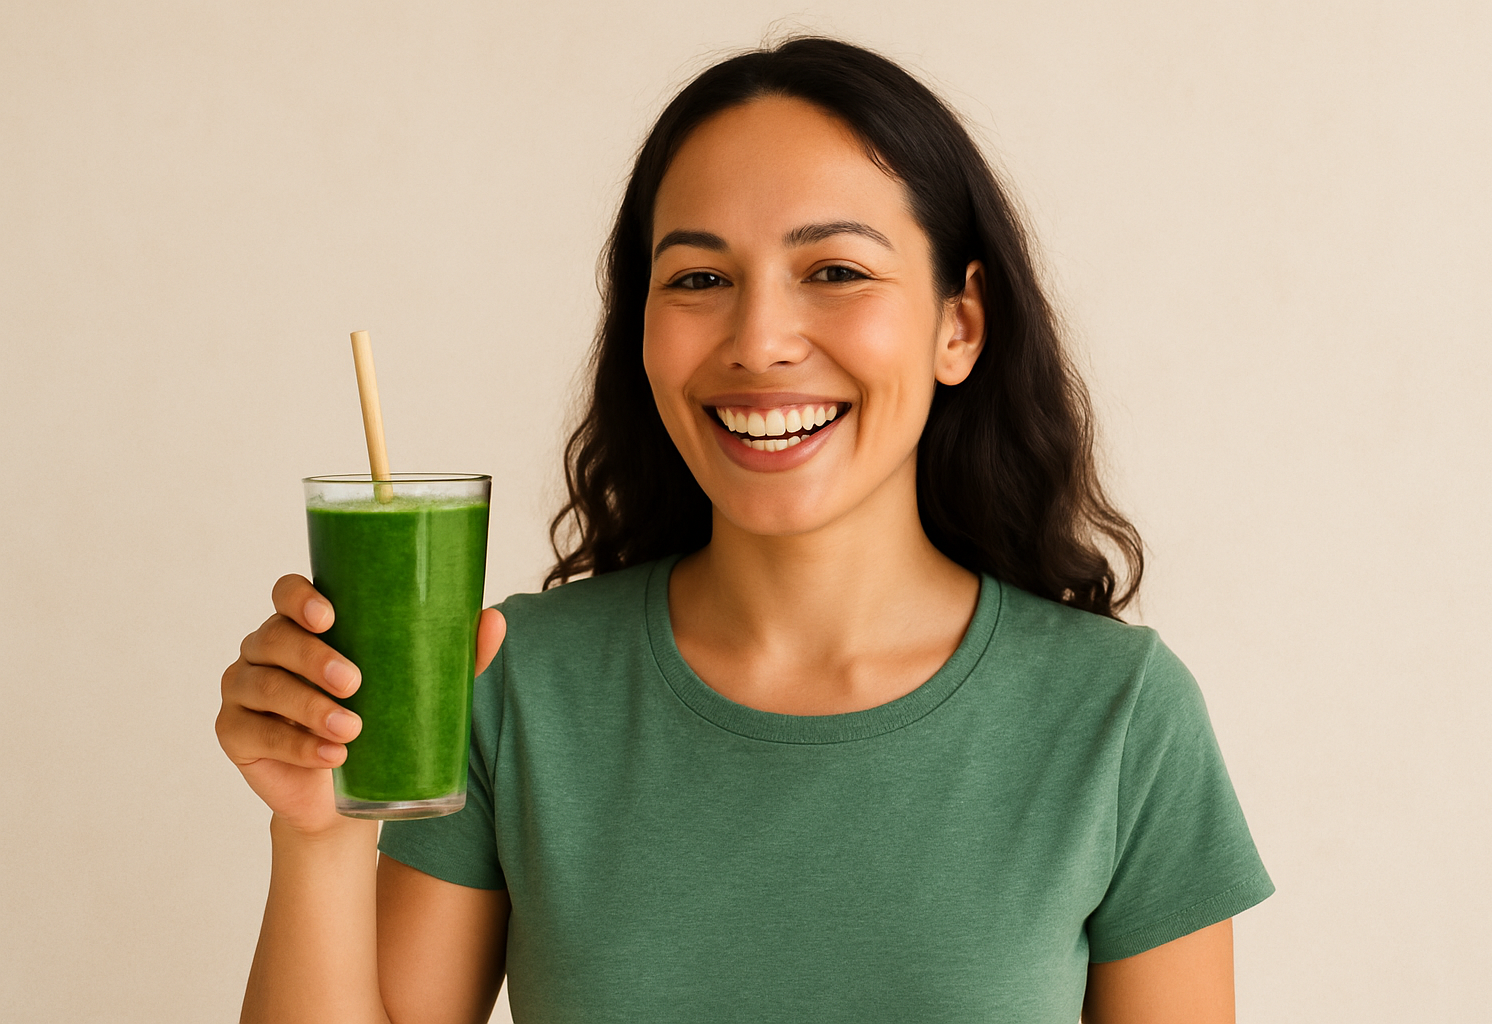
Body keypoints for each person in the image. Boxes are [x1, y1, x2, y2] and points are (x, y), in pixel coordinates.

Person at [217, 36, 1274, 1024]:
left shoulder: (1120, 719)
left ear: (960, 323)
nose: (759, 339)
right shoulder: (511, 683)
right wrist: (317, 837)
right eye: (699, 279)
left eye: (836, 272)